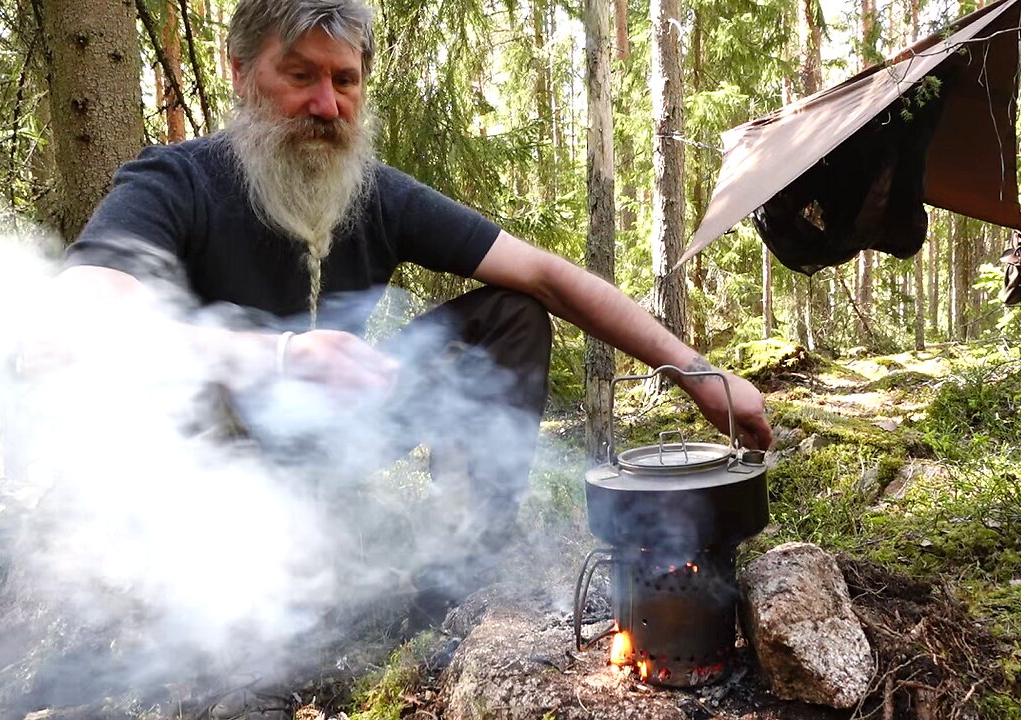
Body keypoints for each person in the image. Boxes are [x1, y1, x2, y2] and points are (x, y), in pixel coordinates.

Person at [59, 0, 772, 604]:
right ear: (240, 72)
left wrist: (697, 375)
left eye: (345, 80)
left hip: (338, 435)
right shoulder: (174, 182)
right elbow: (74, 324)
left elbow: (549, 276)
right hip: (208, 468)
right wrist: (277, 355)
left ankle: (461, 569)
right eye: (300, 75)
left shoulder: (374, 192)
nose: (325, 105)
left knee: (511, 313)